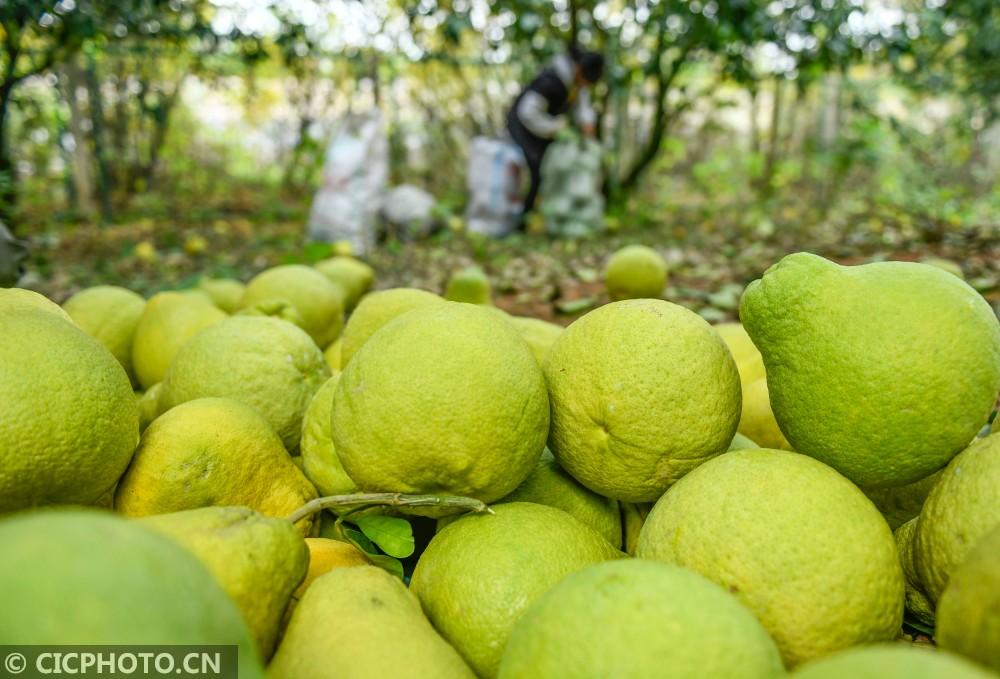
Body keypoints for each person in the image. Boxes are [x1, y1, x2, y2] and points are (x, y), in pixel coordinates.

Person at [506, 46, 604, 227]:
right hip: (523, 127)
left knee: (546, 171)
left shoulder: (576, 83)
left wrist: (588, 130)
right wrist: (556, 127)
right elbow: (527, 113)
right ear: (578, 69)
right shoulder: (551, 81)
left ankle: (534, 217)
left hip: (543, 131)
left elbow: (584, 108)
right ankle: (519, 221)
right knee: (534, 171)